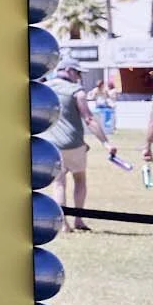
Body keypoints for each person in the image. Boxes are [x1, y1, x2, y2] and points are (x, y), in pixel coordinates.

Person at [45, 64, 117, 231]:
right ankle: (78, 219)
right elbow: (89, 119)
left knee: (58, 183)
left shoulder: (45, 89)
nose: (79, 77)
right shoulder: (77, 91)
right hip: (74, 144)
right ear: (68, 70)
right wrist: (106, 143)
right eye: (77, 73)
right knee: (80, 179)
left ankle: (63, 223)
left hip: (52, 145)